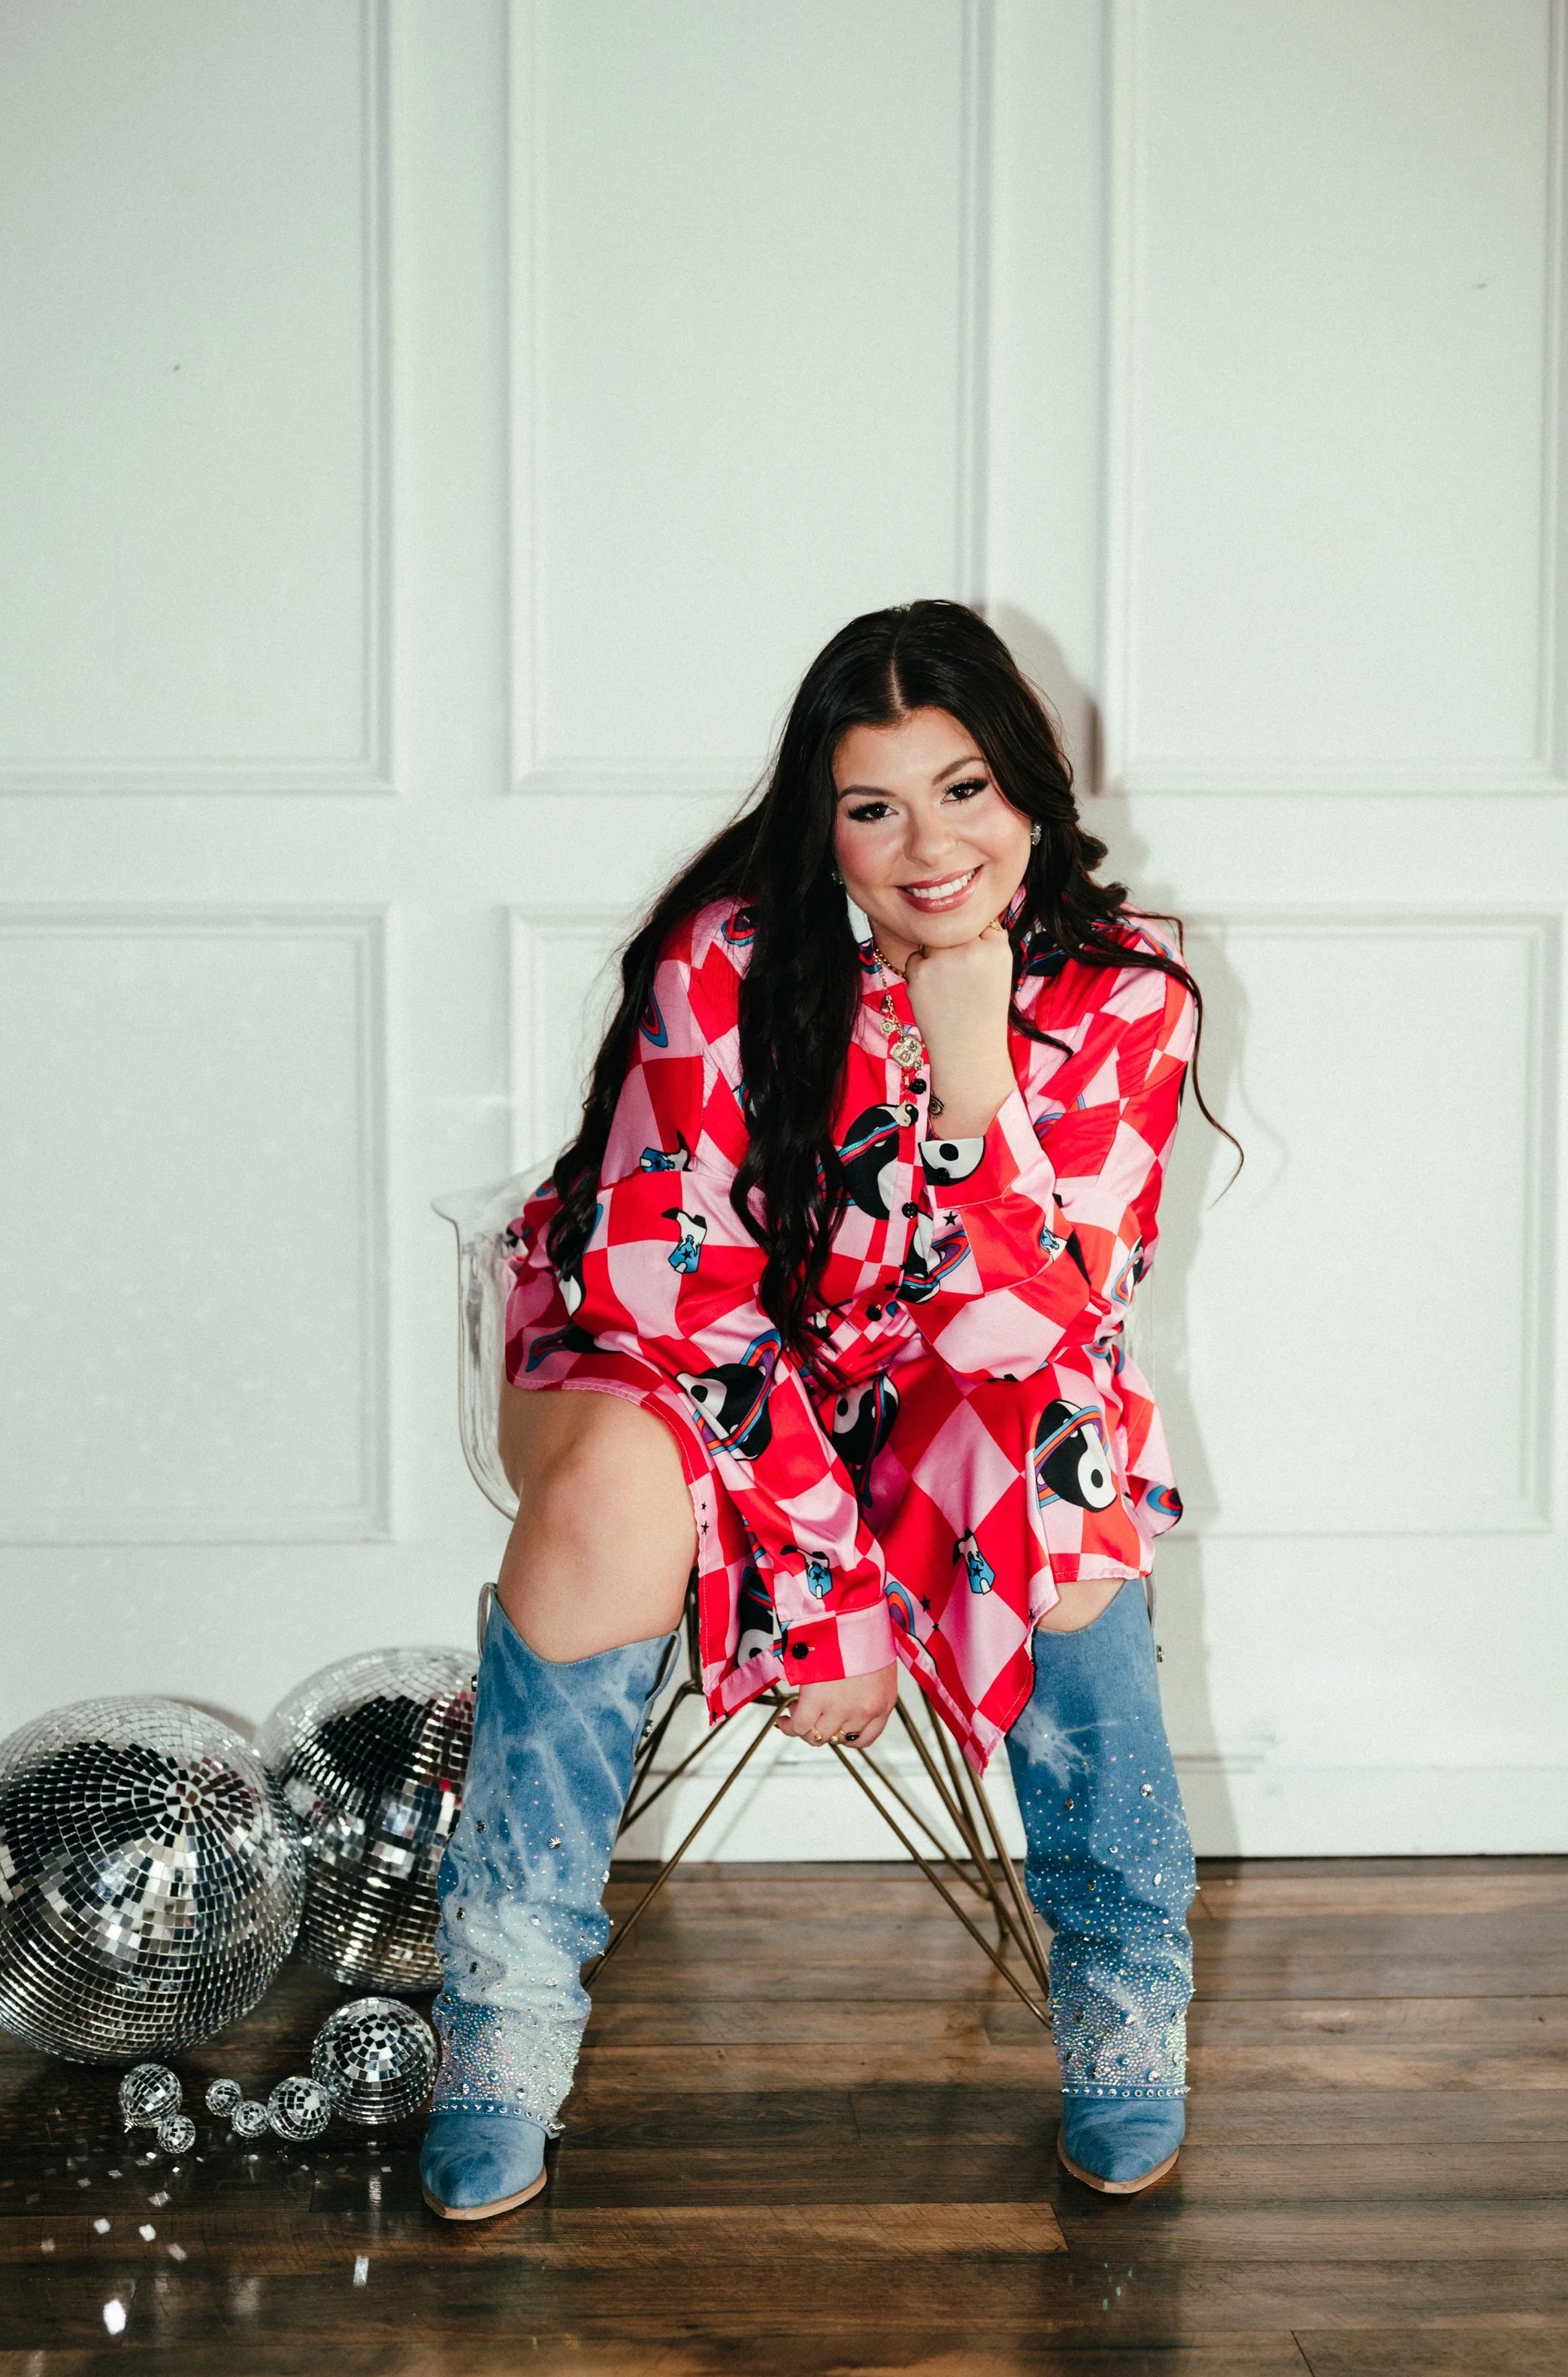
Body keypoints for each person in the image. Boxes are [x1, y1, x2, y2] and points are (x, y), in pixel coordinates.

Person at [423, 600, 1225, 2223]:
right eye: (872, 807)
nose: (927, 846)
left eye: (964, 790)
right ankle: (500, 2025)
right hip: (663, 1355)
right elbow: (673, 1292)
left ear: (1029, 790)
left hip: (935, 1381)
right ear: (822, 821)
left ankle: (1125, 1992)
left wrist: (972, 1055)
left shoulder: (1129, 999)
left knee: (1059, 1477)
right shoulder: (725, 959)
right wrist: (826, 1592)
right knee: (606, 1510)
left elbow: (1036, 1324)